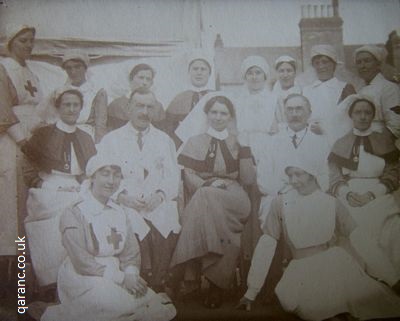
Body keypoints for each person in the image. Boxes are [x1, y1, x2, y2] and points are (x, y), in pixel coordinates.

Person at [238, 161, 400, 321]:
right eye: (290, 175)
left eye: (298, 174)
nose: (293, 180)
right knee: (313, 308)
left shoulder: (331, 202)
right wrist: (251, 291)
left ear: (312, 174)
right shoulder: (280, 203)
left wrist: (392, 279)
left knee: (363, 304)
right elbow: (267, 244)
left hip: (334, 267)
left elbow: (361, 240)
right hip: (301, 270)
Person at [41, 154, 176, 321]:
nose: (111, 181)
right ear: (92, 177)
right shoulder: (75, 212)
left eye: (116, 175)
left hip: (118, 272)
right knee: (120, 306)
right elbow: (82, 261)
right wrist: (122, 279)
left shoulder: (120, 211)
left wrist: (131, 274)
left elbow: (130, 252)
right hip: (84, 277)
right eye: (105, 174)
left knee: (150, 302)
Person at [170, 94, 255, 309]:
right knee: (205, 198)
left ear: (230, 116)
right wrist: (207, 185)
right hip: (205, 194)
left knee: (203, 200)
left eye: (223, 113)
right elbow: (188, 175)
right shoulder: (194, 141)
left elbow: (247, 179)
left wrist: (244, 149)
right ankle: (217, 284)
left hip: (234, 195)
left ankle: (188, 277)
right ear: (207, 114)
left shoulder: (239, 141)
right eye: (214, 112)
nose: (218, 117)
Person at [97, 88, 180, 293]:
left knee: (167, 215)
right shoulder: (111, 140)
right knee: (130, 220)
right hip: (124, 200)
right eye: (139, 106)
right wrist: (122, 197)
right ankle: (139, 279)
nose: (144, 112)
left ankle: (159, 282)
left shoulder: (164, 140)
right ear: (128, 109)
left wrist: (160, 195)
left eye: (149, 107)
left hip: (156, 200)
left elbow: (173, 177)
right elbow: (101, 177)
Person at [21, 88, 96, 286]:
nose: (71, 109)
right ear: (58, 107)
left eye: (76, 105)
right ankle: (51, 279)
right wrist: (47, 185)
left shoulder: (86, 137)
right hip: (48, 186)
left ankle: (80, 277)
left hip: (78, 186)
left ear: (81, 108)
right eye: (66, 105)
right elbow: (28, 169)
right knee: (59, 213)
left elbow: (90, 172)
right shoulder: (43, 134)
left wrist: (83, 186)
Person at [328, 95, 400, 291]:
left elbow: (393, 173)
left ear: (373, 116)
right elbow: (334, 176)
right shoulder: (341, 142)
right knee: (354, 228)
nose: (362, 117)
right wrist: (347, 194)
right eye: (358, 112)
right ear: (351, 115)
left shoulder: (384, 141)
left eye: (367, 113)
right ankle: (362, 287)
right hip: (349, 194)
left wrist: (372, 194)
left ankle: (392, 281)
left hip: (379, 193)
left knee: (392, 228)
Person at [253, 93, 330, 226]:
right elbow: (263, 177)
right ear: (284, 113)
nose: (294, 114)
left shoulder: (321, 143)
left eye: (299, 109)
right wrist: (283, 192)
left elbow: (325, 175)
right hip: (278, 196)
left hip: (310, 196)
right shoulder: (271, 142)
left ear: (309, 113)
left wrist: (306, 192)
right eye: (290, 109)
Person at [0, 24, 43, 257]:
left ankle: (31, 268)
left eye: (31, 41)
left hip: (33, 140)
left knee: (31, 203)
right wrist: (24, 142)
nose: (28, 45)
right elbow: (3, 111)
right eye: (22, 40)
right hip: (13, 143)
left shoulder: (31, 72)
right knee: (13, 204)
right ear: (10, 43)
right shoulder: (3, 68)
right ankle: (14, 272)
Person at [42, 50, 108, 143]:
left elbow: (100, 125)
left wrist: (100, 146)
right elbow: (50, 118)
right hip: (61, 135)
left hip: (86, 136)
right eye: (68, 68)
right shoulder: (59, 92)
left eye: (77, 67)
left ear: (85, 68)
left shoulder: (97, 92)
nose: (73, 72)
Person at [303, 44, 356, 143]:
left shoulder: (345, 88)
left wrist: (325, 129)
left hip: (337, 140)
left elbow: (351, 120)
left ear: (334, 64)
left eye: (325, 62)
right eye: (317, 63)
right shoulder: (306, 90)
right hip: (310, 140)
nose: (321, 66)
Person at [162, 52, 213, 147]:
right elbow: (168, 129)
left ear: (209, 73)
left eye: (203, 69)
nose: (199, 72)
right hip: (184, 148)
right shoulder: (178, 98)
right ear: (189, 72)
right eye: (195, 69)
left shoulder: (216, 97)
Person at [234, 55, 279, 150]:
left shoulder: (274, 99)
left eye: (258, 73)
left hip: (269, 146)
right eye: (250, 73)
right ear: (245, 76)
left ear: (265, 75)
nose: (254, 77)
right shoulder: (237, 100)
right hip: (242, 146)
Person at [355, 45, 400, 138]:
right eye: (359, 62)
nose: (363, 66)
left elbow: (396, 125)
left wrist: (376, 145)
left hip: (383, 144)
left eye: (367, 61)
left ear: (378, 64)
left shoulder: (389, 88)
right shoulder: (359, 90)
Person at [107, 63, 165, 131]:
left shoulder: (158, 107)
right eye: (141, 78)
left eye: (148, 79)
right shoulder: (116, 105)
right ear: (131, 79)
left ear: (151, 83)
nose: (144, 82)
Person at [272, 55, 302, 124]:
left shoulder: (303, 92)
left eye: (289, 71)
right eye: (281, 71)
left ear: (295, 73)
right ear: (277, 73)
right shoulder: (271, 96)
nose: (285, 75)